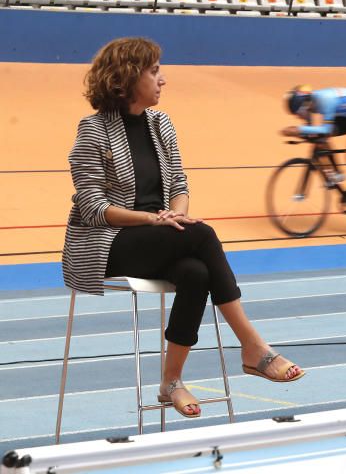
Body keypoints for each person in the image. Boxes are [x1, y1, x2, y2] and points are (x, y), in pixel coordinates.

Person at [62, 37, 305, 420]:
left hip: (161, 237)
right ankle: (254, 347)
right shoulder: (93, 130)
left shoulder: (161, 123)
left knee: (196, 272)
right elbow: (93, 208)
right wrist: (153, 219)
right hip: (108, 242)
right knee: (202, 234)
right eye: (154, 71)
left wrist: (175, 214)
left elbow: (179, 184)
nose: (163, 80)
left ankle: (170, 382)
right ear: (126, 78)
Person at [281, 85, 346, 219]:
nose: (299, 116)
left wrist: (299, 130)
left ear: (304, 105)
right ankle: (338, 173)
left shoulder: (325, 100)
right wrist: (302, 133)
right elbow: (313, 132)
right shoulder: (309, 103)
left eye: (299, 113)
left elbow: (325, 129)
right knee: (320, 139)